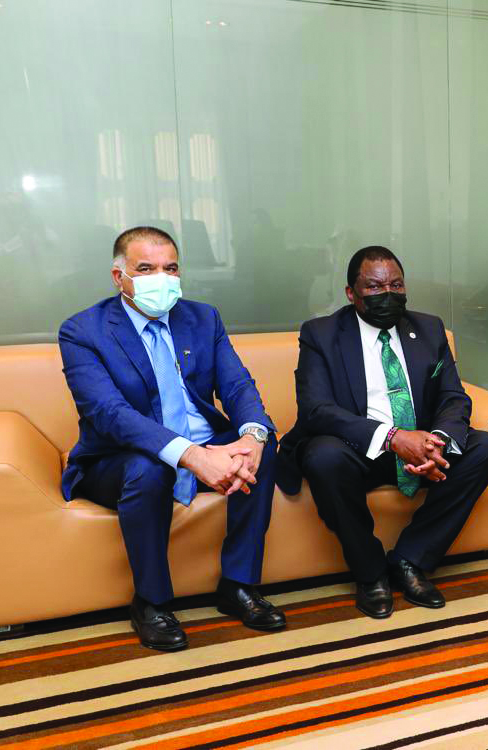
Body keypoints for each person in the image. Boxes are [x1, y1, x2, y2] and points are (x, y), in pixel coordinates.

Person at [59, 226, 286, 651]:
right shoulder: (82, 331)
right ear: (118, 277)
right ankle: (151, 602)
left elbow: (237, 387)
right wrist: (193, 456)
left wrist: (252, 436)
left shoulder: (203, 318)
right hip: (119, 458)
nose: (160, 278)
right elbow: (109, 415)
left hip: (202, 442)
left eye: (170, 268)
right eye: (145, 269)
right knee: (149, 467)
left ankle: (238, 585)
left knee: (264, 442)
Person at [277, 246, 488, 620]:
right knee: (323, 455)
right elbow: (317, 410)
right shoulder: (321, 333)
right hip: (359, 449)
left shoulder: (429, 328)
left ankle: (409, 560)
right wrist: (394, 437)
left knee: (486, 447)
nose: (388, 294)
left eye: (396, 285)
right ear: (351, 293)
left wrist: (437, 442)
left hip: (421, 445)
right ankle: (370, 573)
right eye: (374, 287)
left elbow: (453, 396)